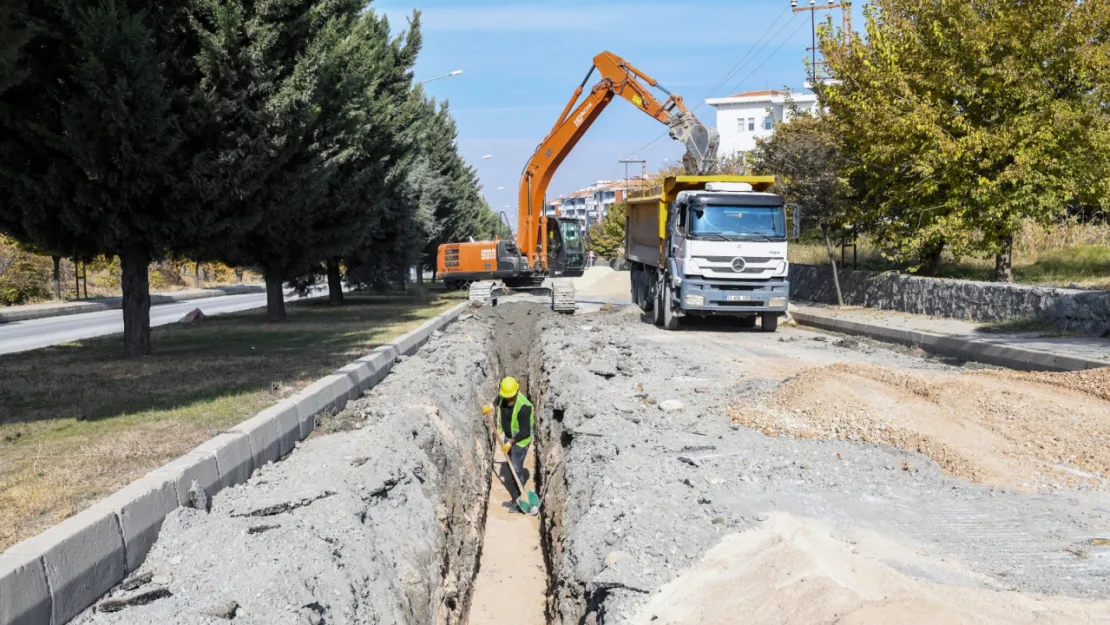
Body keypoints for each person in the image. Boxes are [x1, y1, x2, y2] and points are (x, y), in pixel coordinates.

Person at [482, 376, 534, 512]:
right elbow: (499, 399)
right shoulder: (505, 396)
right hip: (509, 437)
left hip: (520, 442)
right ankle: (515, 498)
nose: (508, 400)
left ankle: (519, 502)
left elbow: (525, 432)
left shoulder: (524, 407)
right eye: (506, 397)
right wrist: (490, 406)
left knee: (516, 469)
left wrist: (510, 443)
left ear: (516, 393)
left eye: (511, 397)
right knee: (511, 469)